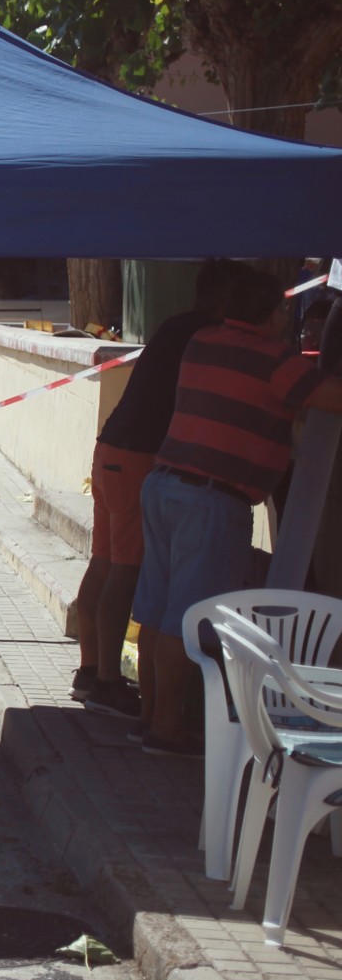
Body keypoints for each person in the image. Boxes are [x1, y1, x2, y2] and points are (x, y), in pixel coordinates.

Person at [133, 269, 342, 758]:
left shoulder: (204, 341)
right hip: (211, 499)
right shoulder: (274, 359)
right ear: (275, 313)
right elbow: (331, 397)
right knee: (189, 619)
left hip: (165, 485)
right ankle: (167, 731)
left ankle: (147, 719)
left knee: (158, 611)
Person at [69, 258, 240, 720]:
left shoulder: (175, 326)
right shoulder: (208, 335)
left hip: (112, 449)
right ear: (227, 297)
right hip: (141, 455)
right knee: (124, 570)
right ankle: (105, 681)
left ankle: (90, 671)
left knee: (104, 563)